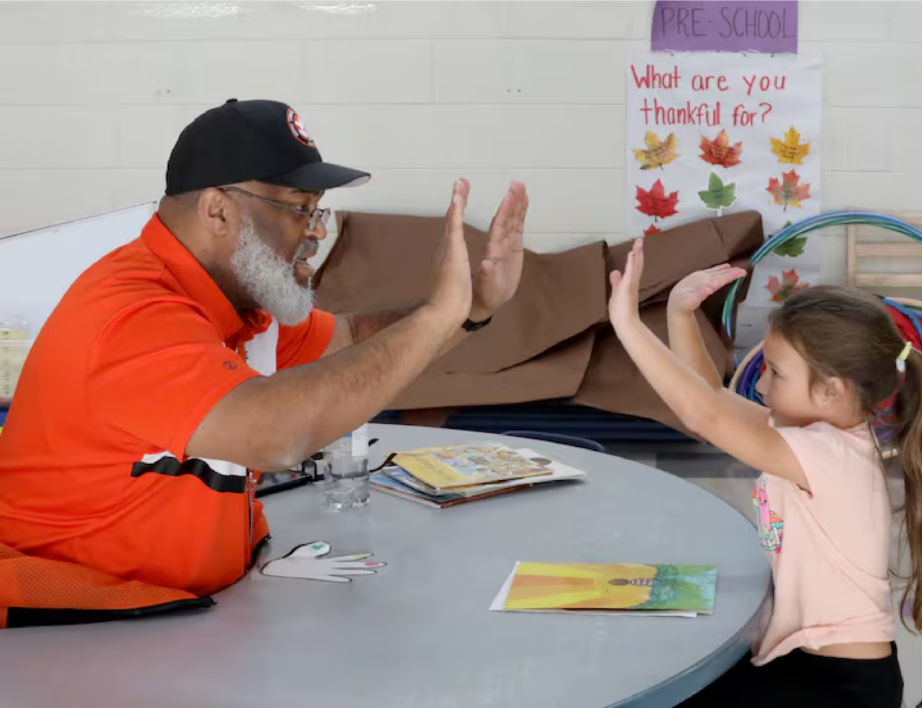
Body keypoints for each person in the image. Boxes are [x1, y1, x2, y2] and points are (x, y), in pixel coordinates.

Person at [0, 99, 529, 608]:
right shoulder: (134, 315)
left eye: (319, 211)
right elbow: (278, 435)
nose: (318, 231)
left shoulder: (237, 303)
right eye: (300, 209)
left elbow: (349, 341)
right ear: (217, 210)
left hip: (187, 613)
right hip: (71, 627)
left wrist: (471, 307)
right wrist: (439, 314)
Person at [608, 239, 922, 707]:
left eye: (775, 372)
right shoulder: (816, 434)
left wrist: (626, 325)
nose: (761, 384)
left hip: (839, 688)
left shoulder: (827, 453)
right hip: (809, 666)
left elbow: (705, 415)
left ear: (830, 390)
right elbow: (711, 398)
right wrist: (681, 314)